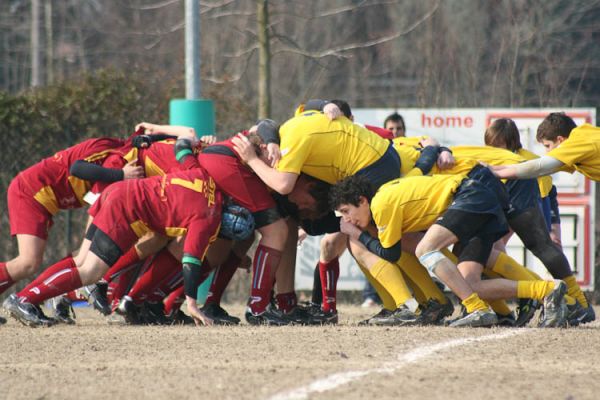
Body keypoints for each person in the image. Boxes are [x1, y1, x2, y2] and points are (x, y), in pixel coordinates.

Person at [330, 169, 569, 328]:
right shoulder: (384, 201)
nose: (346, 219)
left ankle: (476, 308)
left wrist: (358, 234)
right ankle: (547, 289)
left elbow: (390, 254)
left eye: (346, 212)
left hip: (470, 196)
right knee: (469, 284)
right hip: (479, 200)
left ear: (362, 200)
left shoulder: (381, 205)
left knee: (426, 250)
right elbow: (402, 245)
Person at [4, 167, 223, 327]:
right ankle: (25, 299)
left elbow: (184, 148)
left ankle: (26, 297)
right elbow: (191, 262)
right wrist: (193, 305)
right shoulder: (210, 217)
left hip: (116, 191)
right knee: (90, 272)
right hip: (126, 208)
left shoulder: (204, 175)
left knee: (81, 261)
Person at [0, 135, 146, 305]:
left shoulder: (119, 158)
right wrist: (121, 174)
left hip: (45, 199)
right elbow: (77, 168)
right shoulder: (113, 155)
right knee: (28, 262)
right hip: (30, 191)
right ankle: (24, 300)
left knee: (80, 254)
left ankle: (34, 296)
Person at [491, 112, 600, 181]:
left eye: (548, 146)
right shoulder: (581, 141)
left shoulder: (578, 140)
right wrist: (493, 169)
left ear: (560, 140)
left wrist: (494, 174)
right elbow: (539, 170)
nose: (547, 152)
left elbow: (539, 167)